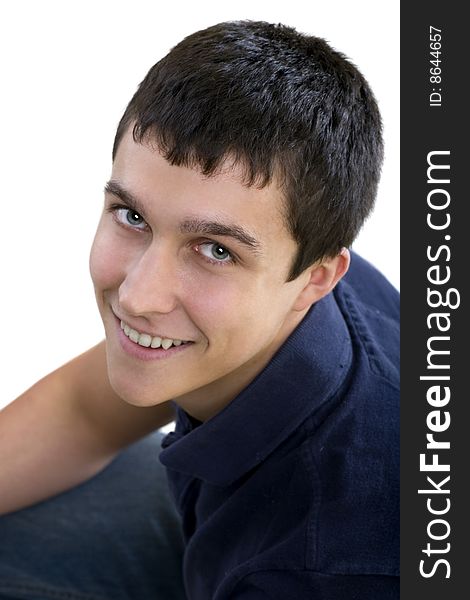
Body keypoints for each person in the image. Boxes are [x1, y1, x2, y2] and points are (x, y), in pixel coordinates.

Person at [0, 20, 399, 599]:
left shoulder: (322, 561)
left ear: (316, 277)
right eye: (132, 217)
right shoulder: (284, 264)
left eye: (215, 251)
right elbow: (82, 413)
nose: (139, 295)